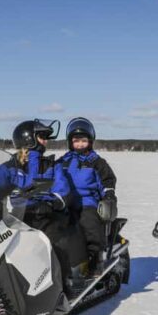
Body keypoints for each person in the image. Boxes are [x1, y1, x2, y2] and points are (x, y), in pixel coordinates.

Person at [0, 119, 87, 289]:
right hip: (20, 215)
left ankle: (65, 280)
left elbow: (62, 189)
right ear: (28, 138)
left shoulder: (51, 165)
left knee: (52, 240)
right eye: (41, 137)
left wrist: (53, 201)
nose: (45, 141)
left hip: (49, 214)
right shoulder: (10, 167)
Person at [60, 117, 117, 276]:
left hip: (88, 202)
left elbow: (108, 181)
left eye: (83, 141)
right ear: (70, 142)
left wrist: (109, 196)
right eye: (76, 141)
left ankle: (95, 258)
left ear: (90, 141)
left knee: (88, 223)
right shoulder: (63, 161)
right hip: (66, 202)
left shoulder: (97, 162)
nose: (79, 144)